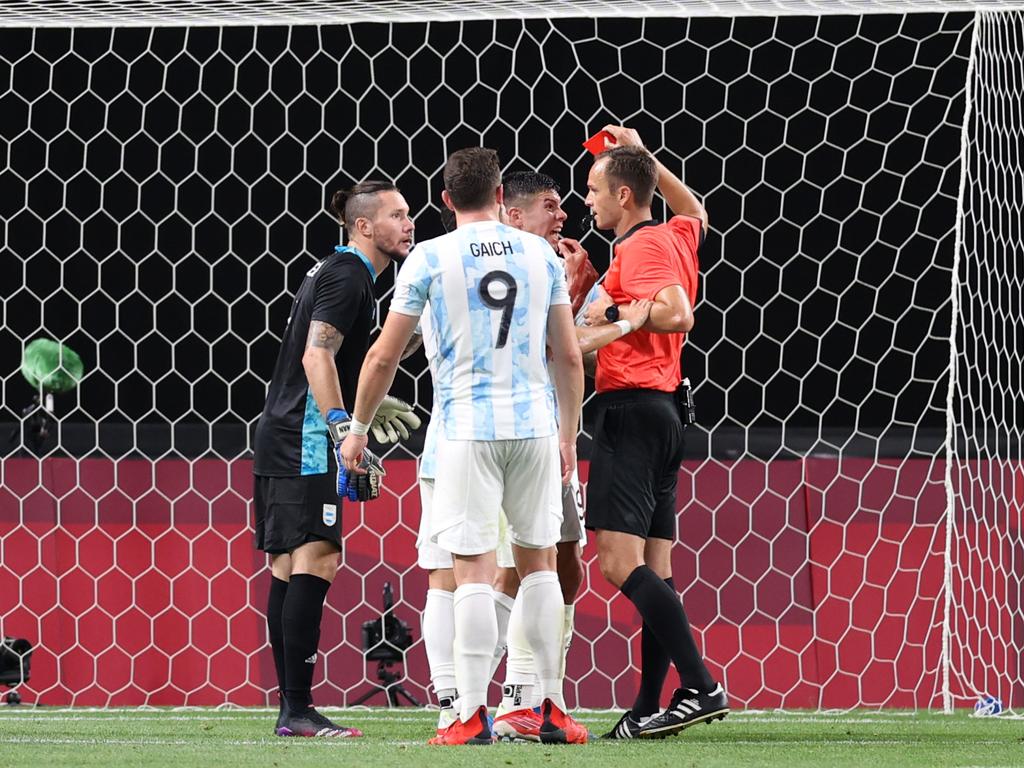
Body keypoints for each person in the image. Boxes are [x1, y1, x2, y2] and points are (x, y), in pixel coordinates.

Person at [340, 147, 588, 746]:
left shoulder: (429, 256)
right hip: (533, 426)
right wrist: (568, 438)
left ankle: (468, 712)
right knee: (539, 564)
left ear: (446, 200)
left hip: (464, 428)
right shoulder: (538, 254)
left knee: (470, 570)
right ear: (502, 195)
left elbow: (383, 355)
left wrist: (356, 427)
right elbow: (569, 354)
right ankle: (547, 707)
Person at [252, 180, 419, 738]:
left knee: (287, 566)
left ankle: (291, 710)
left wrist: (365, 395)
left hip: (283, 428)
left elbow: (350, 352)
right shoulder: (349, 275)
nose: (408, 223)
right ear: (364, 225)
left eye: (409, 214)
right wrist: (343, 424)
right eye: (397, 215)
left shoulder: (338, 272)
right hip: (306, 435)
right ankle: (296, 709)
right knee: (317, 560)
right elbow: (316, 352)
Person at [580, 125, 730, 740]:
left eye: (592, 189)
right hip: (666, 413)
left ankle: (700, 685)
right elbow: (696, 207)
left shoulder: (641, 248)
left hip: (634, 411)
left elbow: (678, 312)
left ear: (621, 196)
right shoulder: (673, 232)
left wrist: (612, 311)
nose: (585, 199)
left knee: (618, 566)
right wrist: (645, 156)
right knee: (656, 572)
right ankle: (646, 708)